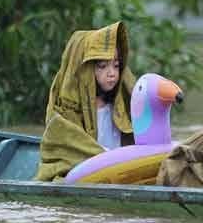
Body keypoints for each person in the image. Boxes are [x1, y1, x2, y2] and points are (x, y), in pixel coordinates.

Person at [35, 22, 136, 181]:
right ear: (84, 72)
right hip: (93, 174)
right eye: (102, 66)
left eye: (116, 66)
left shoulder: (121, 106)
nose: (112, 74)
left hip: (120, 172)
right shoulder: (66, 114)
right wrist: (109, 159)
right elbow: (66, 151)